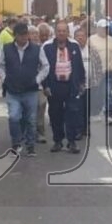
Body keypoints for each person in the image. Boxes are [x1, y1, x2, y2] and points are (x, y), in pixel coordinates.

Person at [0, 23, 43, 157]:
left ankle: (30, 146)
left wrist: (38, 79)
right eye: (21, 35)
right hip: (13, 91)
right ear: (15, 36)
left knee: (31, 119)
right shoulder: (7, 49)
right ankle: (16, 143)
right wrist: (5, 78)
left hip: (31, 90)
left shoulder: (36, 49)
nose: (24, 38)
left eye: (25, 34)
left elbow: (45, 66)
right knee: (14, 117)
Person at [41, 21, 86, 154]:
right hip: (54, 86)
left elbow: (79, 65)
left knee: (73, 113)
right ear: (55, 32)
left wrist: (81, 83)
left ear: (68, 32)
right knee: (55, 114)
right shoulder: (47, 47)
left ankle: (72, 142)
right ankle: (58, 141)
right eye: (59, 31)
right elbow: (42, 67)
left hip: (71, 85)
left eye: (64, 31)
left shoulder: (74, 45)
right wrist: (45, 85)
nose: (61, 33)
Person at [88, 20, 112, 126]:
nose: (105, 29)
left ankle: (109, 115)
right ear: (98, 28)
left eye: (107, 27)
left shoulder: (111, 39)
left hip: (109, 71)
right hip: (96, 72)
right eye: (104, 27)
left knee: (108, 93)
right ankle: (95, 113)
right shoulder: (91, 39)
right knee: (97, 93)